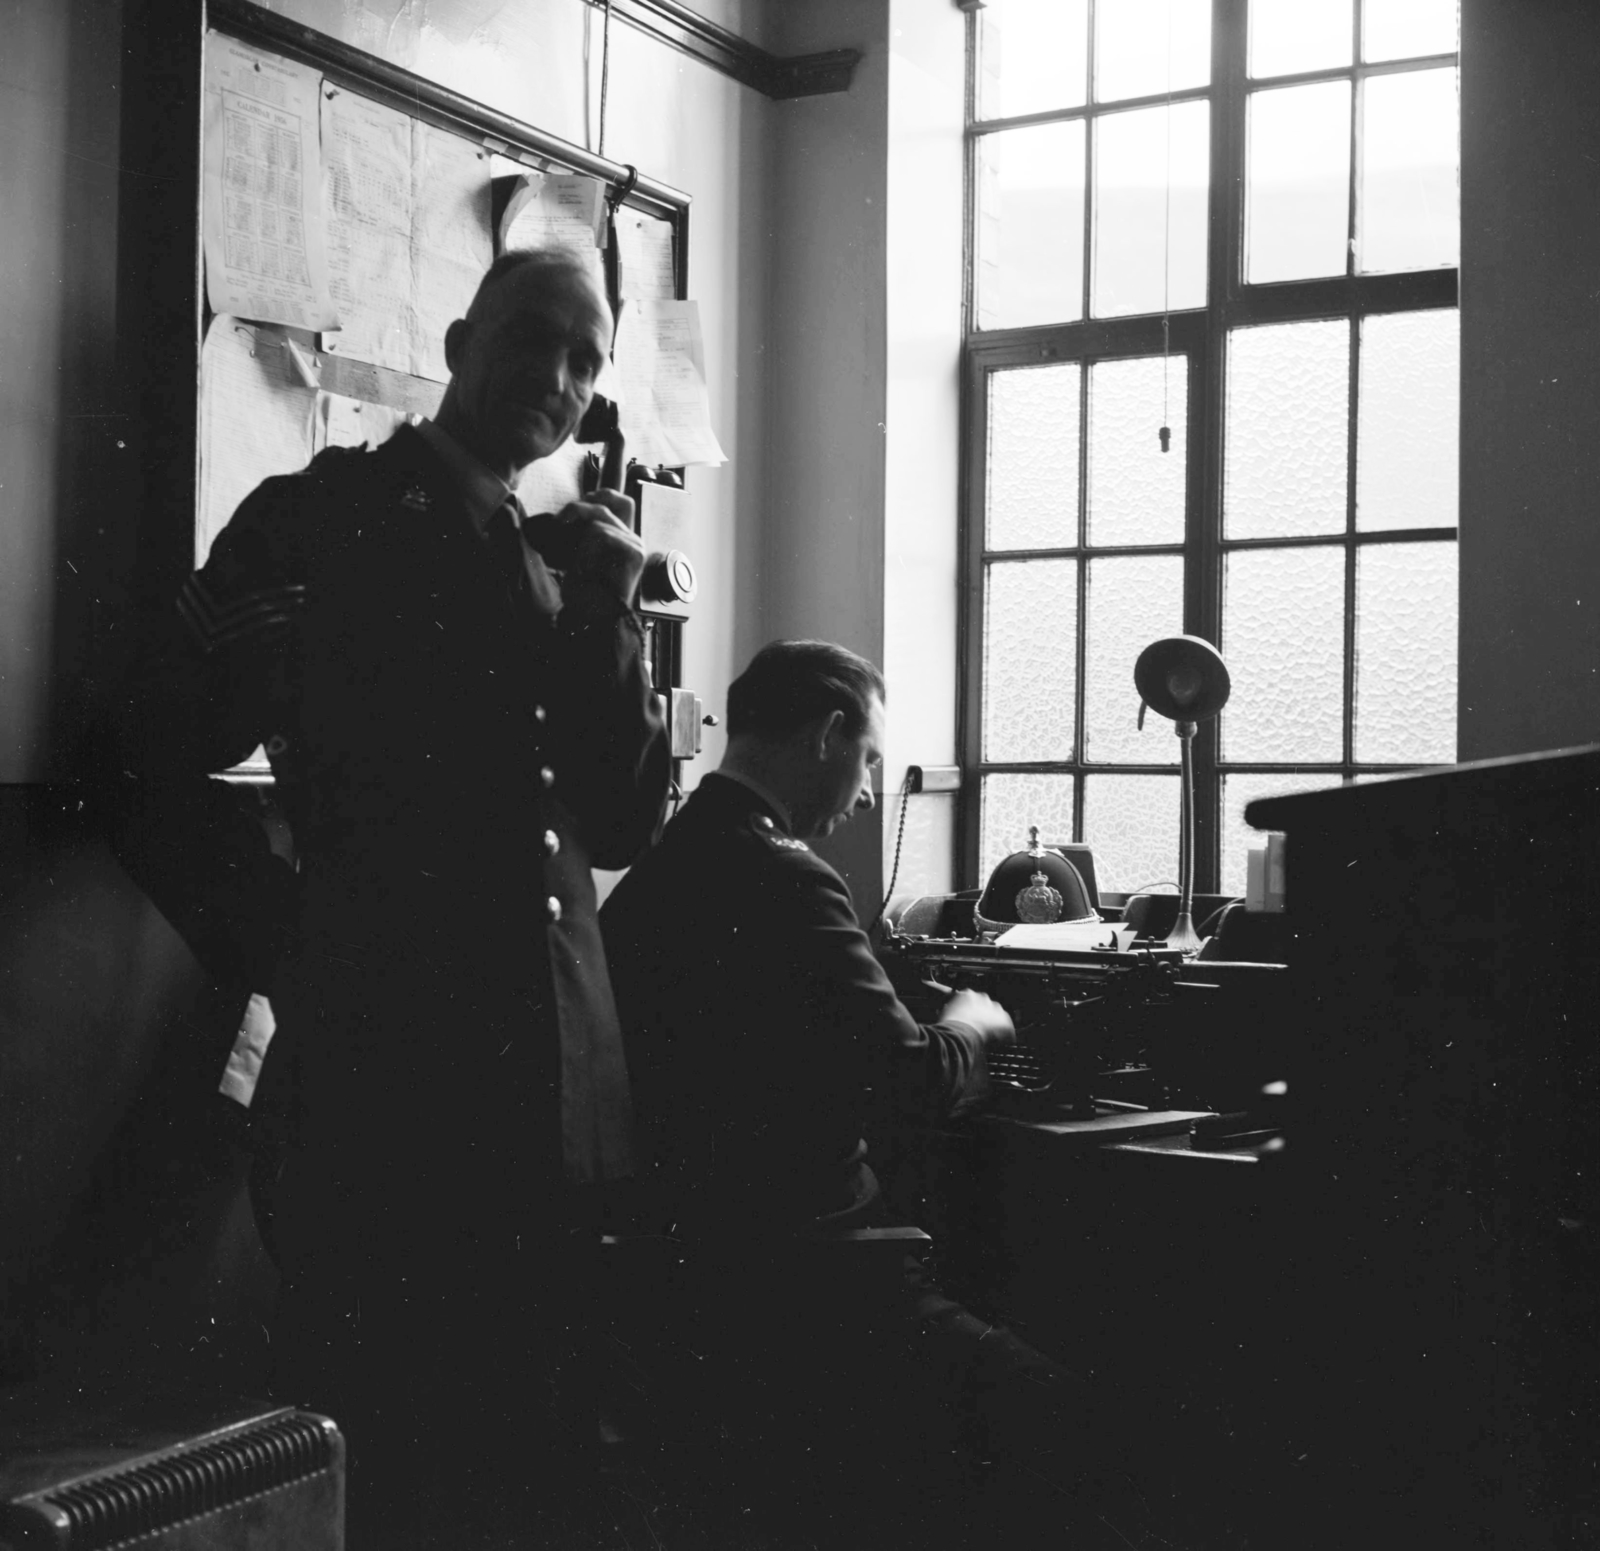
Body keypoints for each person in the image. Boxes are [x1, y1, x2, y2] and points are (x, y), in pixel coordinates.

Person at [118, 248, 670, 1544]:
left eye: (584, 361)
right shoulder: (322, 521)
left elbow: (628, 815)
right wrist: (287, 941)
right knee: (404, 1476)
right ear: (459, 334)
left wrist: (612, 613)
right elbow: (133, 756)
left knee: (537, 1475)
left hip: (563, 1109)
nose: (556, 377)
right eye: (530, 337)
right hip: (386, 1107)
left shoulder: (558, 567)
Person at [599, 641, 1085, 1545]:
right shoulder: (785, 874)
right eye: (866, 758)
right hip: (815, 1274)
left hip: (687, 1281)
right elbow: (910, 1081)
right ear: (828, 734)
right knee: (1066, 1420)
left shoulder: (656, 871)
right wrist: (978, 1022)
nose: (866, 790)